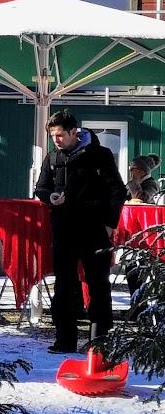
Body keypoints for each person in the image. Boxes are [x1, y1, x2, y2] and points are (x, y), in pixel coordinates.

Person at [34, 111, 127, 353]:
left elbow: (117, 189)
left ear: (74, 132)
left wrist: (109, 223)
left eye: (60, 135)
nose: (56, 140)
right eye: (53, 135)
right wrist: (50, 196)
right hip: (63, 228)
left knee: (98, 283)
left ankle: (99, 340)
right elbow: (41, 188)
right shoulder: (53, 158)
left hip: (93, 228)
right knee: (64, 284)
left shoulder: (100, 155)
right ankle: (65, 339)